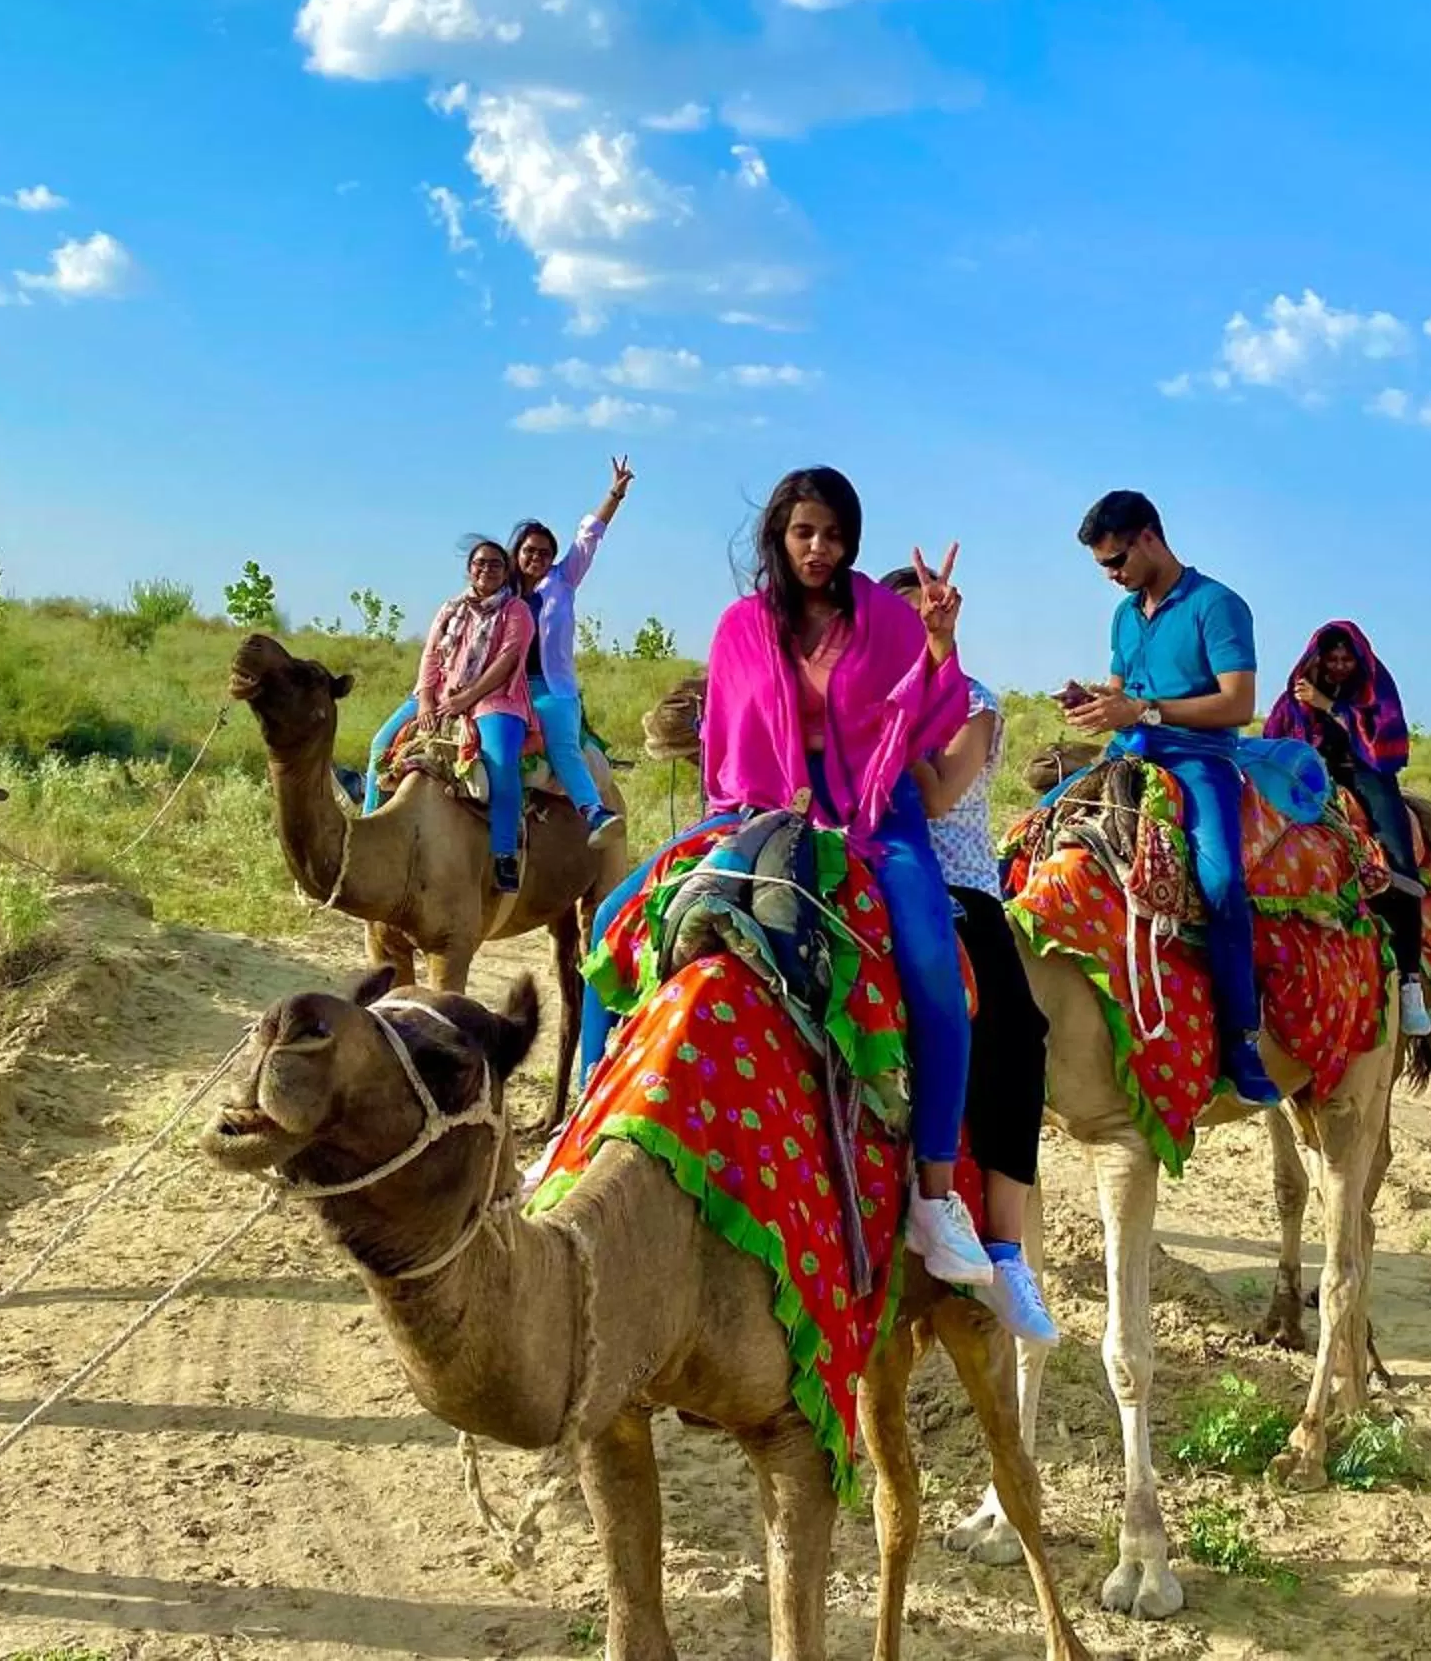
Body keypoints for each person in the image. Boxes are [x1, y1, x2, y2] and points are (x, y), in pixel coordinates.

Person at [575, 468, 1003, 1302]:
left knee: (933, 970)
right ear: (780, 534)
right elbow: (727, 748)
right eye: (805, 532)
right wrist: (762, 810)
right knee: (617, 920)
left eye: (836, 535)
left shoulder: (883, 617)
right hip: (764, 803)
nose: (820, 550)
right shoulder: (741, 626)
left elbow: (932, 716)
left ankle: (934, 1196)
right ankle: (585, 1126)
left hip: (879, 807)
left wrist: (942, 643)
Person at [1058, 488, 1313, 1108]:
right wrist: (1095, 703)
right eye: (1103, 567)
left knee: (1221, 882)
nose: (1112, 576)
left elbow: (1239, 703)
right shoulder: (1124, 615)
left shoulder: (1218, 606)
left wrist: (1144, 707)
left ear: (1149, 537)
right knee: (1036, 833)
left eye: (1116, 561)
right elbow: (1121, 691)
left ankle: (1241, 1036)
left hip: (1201, 760)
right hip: (1128, 754)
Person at [880, 560, 1058, 1345]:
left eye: (929, 616)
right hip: (860, 865)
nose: (917, 627)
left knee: (1016, 1034)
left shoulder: (973, 702)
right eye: (901, 619)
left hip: (954, 886)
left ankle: (1007, 1246)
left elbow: (940, 794)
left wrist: (888, 719)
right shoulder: (853, 696)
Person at [1267, 621, 1431, 1038]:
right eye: (1332, 659)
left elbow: (1383, 745)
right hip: (1312, 781)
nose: (1340, 666)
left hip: (1368, 775)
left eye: (1346, 659)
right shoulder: (1296, 693)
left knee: (1400, 867)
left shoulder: (1375, 690)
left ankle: (1411, 981)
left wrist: (1330, 707)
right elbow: (1276, 742)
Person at [507, 456, 636, 842]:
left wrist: (615, 493)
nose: (537, 559)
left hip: (550, 687)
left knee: (562, 746)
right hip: (506, 688)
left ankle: (593, 811)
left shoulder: (563, 581)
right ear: (516, 553)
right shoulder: (502, 594)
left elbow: (590, 536)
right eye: (530, 551)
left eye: (545, 553)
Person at [414, 536, 538, 896]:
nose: (486, 569)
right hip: (439, 694)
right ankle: (371, 825)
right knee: (381, 748)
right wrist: (425, 700)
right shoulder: (451, 608)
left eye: (495, 564)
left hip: (496, 699)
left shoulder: (516, 611)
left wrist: (466, 698)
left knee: (501, 767)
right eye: (480, 563)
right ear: (470, 569)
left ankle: (504, 854)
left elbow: (507, 660)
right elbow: (431, 655)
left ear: (506, 571)